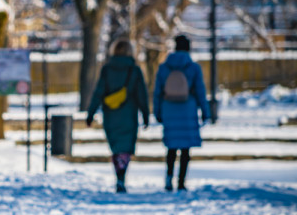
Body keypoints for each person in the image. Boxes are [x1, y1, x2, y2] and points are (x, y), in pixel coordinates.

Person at [86, 39, 149, 193]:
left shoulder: (107, 69)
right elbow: (142, 95)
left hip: (111, 115)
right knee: (125, 148)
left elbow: (98, 92)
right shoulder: (134, 70)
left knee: (116, 148)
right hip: (129, 115)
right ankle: (122, 176)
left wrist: (91, 113)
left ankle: (119, 176)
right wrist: (145, 114)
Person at [153, 34, 210, 191]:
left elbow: (157, 92)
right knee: (185, 148)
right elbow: (200, 91)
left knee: (171, 147)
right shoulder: (193, 68)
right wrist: (205, 112)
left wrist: (157, 111)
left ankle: (169, 178)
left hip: (169, 109)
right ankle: (181, 182)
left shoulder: (164, 68)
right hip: (188, 110)